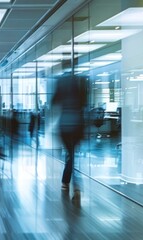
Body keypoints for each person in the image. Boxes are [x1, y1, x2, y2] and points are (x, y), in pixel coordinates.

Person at [52, 72, 86, 202]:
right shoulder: (81, 81)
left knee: (70, 155)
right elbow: (84, 103)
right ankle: (71, 184)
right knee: (72, 156)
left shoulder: (61, 82)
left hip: (64, 125)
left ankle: (68, 183)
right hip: (78, 124)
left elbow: (54, 101)